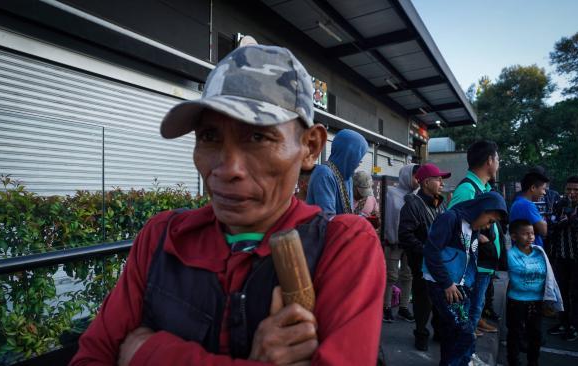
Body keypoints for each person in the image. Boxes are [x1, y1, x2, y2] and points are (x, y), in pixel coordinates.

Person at [70, 44, 385, 365]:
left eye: (258, 137)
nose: (227, 168)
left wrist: (148, 353)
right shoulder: (162, 237)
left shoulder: (343, 246)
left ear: (310, 146)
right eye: (209, 136)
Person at [423, 191, 508, 366]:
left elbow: (470, 259)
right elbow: (431, 252)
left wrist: (467, 284)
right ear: (482, 209)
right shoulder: (450, 219)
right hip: (442, 285)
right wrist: (446, 283)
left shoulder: (473, 227)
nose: (488, 226)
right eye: (490, 221)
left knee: (452, 333)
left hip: (459, 287)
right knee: (465, 333)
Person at [448, 140, 501, 336]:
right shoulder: (467, 190)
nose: (499, 163)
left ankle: (468, 351)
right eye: (497, 159)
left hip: (483, 264)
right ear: (489, 160)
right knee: (467, 314)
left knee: (474, 310)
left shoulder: (484, 188)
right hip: (472, 267)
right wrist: (481, 240)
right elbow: (453, 227)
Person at [398, 163, 450, 351]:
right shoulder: (412, 205)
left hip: (440, 261)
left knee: (441, 297)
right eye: (438, 179)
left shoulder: (439, 202)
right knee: (423, 299)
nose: (442, 183)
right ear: (427, 182)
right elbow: (405, 235)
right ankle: (421, 334)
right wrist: (426, 250)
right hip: (421, 262)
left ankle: (439, 331)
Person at [506, 219, 563, 366]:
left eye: (532, 233)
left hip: (537, 301)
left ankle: (533, 362)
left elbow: (548, 276)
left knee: (535, 335)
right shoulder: (510, 255)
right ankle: (514, 362)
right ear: (514, 237)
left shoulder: (539, 253)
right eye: (525, 234)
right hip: (516, 301)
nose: (530, 236)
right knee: (515, 334)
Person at [548, 176, 578, 341]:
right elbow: (552, 225)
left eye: (576, 190)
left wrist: (566, 214)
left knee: (577, 294)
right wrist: (563, 217)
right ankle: (563, 323)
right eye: (569, 189)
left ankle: (575, 327)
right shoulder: (558, 206)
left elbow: (577, 225)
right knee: (560, 292)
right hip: (560, 257)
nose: (572, 193)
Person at [382, 164, 419, 323]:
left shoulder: (417, 195)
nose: (417, 180)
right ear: (406, 175)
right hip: (393, 242)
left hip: (410, 242)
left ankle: (403, 308)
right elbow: (389, 219)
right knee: (391, 276)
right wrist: (390, 237)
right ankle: (386, 307)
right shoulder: (391, 194)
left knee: (408, 275)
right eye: (414, 176)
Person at [306, 129, 368, 214]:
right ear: (348, 155)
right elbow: (327, 218)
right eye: (358, 156)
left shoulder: (347, 178)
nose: (360, 162)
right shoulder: (324, 174)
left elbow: (348, 213)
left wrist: (362, 217)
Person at [509, 169, 550, 247]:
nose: (544, 193)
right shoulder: (527, 205)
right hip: (530, 254)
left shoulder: (518, 202)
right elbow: (544, 231)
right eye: (543, 189)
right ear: (533, 188)